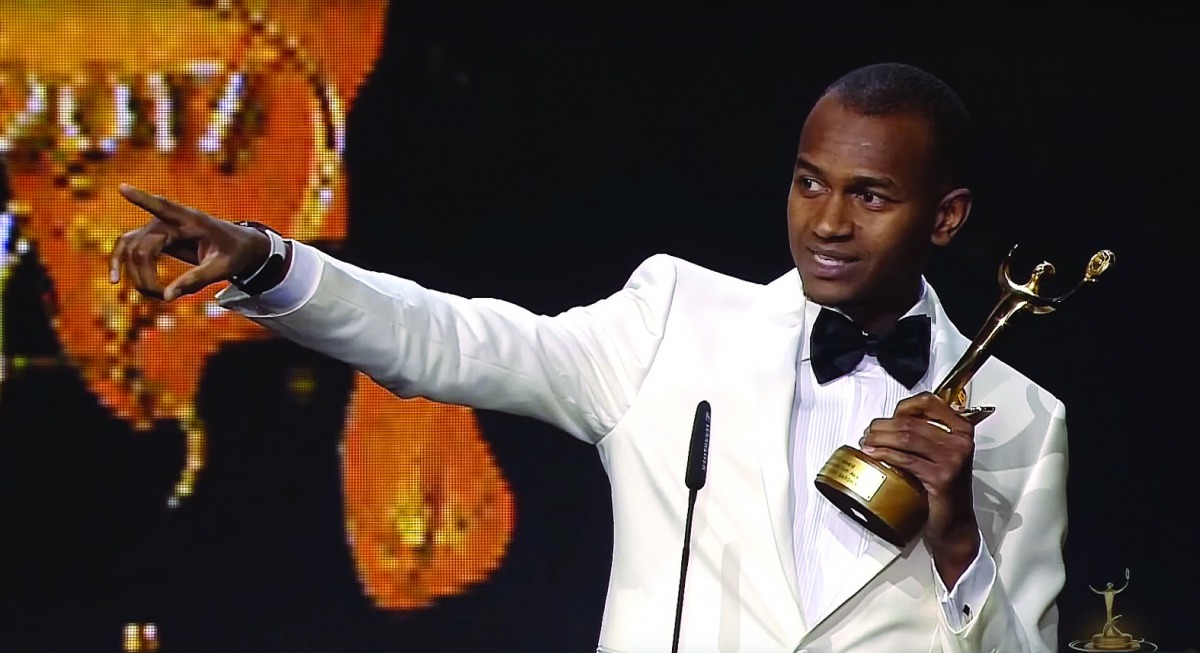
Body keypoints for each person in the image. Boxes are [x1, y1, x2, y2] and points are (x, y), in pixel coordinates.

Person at [108, 63, 1068, 653]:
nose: (824, 222)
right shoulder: (676, 318)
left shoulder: (1024, 419)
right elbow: (450, 342)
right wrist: (276, 264)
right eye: (809, 182)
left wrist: (958, 550)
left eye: (870, 196)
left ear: (946, 216)